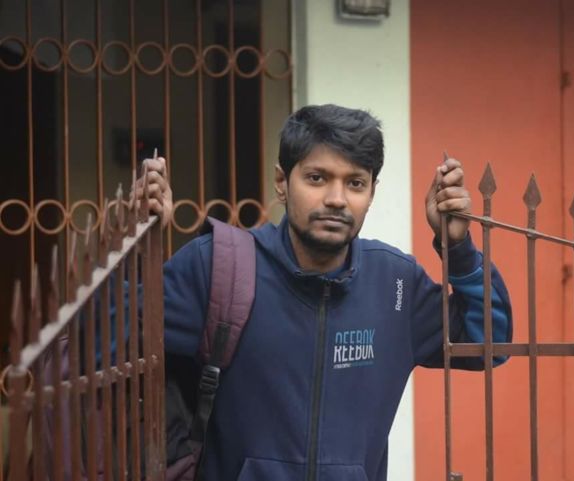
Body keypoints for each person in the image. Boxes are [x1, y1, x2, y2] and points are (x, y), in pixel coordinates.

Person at [138, 104, 512, 481]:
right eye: (317, 178)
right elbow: (114, 352)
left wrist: (458, 248)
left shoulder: (396, 284)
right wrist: (142, 245)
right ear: (282, 182)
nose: (336, 198)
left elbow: (489, 341)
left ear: (372, 192)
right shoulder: (218, 265)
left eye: (355, 183)